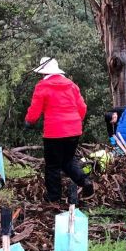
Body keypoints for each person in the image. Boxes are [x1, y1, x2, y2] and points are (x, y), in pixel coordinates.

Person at [25, 57, 94, 203]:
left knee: (52, 164)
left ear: (44, 73)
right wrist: (74, 122)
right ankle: (84, 181)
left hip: (54, 131)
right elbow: (82, 107)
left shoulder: (42, 86)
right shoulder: (71, 85)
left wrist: (29, 122)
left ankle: (54, 196)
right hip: (74, 129)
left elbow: (35, 110)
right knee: (68, 160)